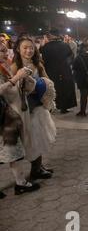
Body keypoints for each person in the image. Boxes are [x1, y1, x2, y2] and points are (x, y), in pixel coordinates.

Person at [12, 37, 55, 181]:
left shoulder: (38, 64)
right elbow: (12, 89)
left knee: (40, 138)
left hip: (39, 107)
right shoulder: (14, 67)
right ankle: (35, 170)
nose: (28, 50)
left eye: (31, 47)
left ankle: (38, 167)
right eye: (25, 47)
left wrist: (43, 89)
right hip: (25, 109)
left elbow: (48, 82)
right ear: (18, 49)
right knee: (32, 140)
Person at [1, 43, 40, 196]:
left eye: (6, 50)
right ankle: (21, 183)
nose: (6, 53)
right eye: (2, 51)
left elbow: (19, 89)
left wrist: (26, 78)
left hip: (12, 116)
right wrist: (16, 77)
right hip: (5, 118)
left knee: (13, 152)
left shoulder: (6, 66)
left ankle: (21, 182)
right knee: (11, 151)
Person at [40, 29, 77, 114]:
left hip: (51, 71)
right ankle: (64, 108)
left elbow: (42, 60)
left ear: (51, 36)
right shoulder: (64, 45)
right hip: (64, 70)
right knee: (65, 89)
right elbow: (71, 56)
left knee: (53, 89)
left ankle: (52, 107)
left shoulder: (45, 47)